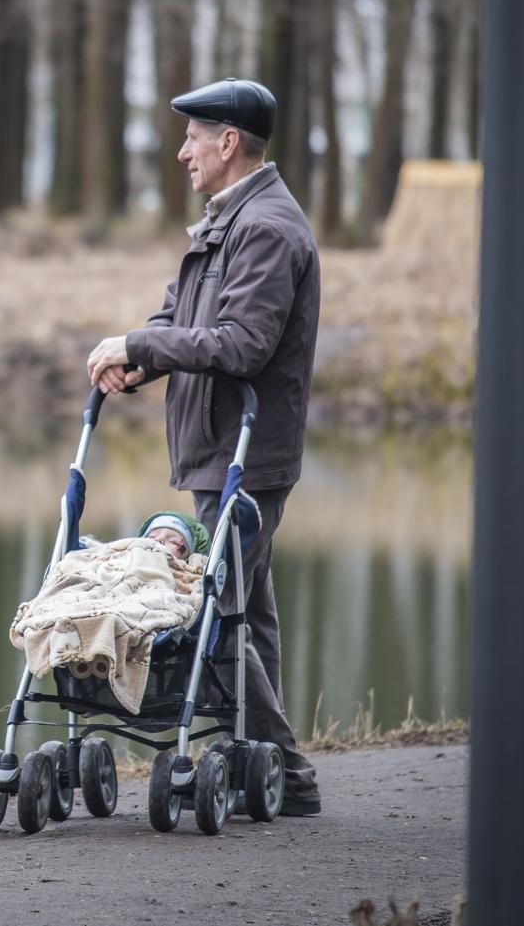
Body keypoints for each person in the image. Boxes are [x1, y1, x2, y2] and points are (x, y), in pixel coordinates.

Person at [83, 77, 323, 817]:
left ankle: (285, 768)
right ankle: (266, 768)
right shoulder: (228, 221)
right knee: (248, 613)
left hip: (246, 455)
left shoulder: (267, 229)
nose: (181, 150)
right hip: (218, 451)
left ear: (229, 143)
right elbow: (182, 317)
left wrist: (139, 340)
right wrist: (140, 357)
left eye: (193, 136)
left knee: (214, 616)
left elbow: (243, 344)